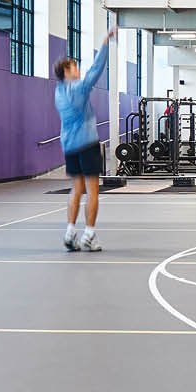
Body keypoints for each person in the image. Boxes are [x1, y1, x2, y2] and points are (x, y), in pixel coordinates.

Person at [55, 25, 118, 252]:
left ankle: (70, 232)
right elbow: (96, 69)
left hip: (69, 146)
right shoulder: (79, 88)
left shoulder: (59, 91)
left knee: (76, 189)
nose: (78, 69)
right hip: (87, 144)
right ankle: (89, 235)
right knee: (92, 191)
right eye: (74, 66)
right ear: (67, 71)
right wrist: (105, 43)